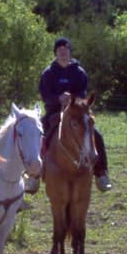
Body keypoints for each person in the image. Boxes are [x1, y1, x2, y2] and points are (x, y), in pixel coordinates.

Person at [38, 36, 112, 192]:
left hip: (76, 112)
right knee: (40, 134)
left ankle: (101, 173)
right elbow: (45, 95)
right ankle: (35, 174)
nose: (63, 52)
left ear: (70, 52)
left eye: (65, 49)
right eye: (59, 50)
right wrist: (58, 99)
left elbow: (82, 93)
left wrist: (72, 100)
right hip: (54, 111)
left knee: (96, 135)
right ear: (56, 53)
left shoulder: (79, 72)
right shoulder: (48, 73)